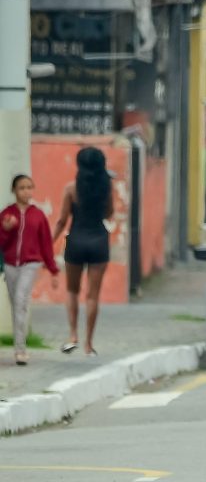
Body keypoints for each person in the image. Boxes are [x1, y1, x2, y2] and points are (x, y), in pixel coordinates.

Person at [51, 146, 113, 356]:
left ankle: (72, 335)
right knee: (93, 296)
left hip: (76, 240)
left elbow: (61, 221)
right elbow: (109, 213)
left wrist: (48, 243)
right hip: (98, 241)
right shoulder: (106, 188)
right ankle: (89, 344)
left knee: (72, 291)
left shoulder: (71, 189)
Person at [1, 175, 59, 365]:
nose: (26, 191)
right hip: (10, 265)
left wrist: (53, 270)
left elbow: (46, 245)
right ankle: (19, 346)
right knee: (17, 305)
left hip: (30, 264)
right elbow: (1, 243)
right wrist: (6, 229)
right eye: (22, 188)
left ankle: (20, 350)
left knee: (20, 301)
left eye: (29, 187)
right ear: (14, 191)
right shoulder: (7, 214)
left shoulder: (38, 215)